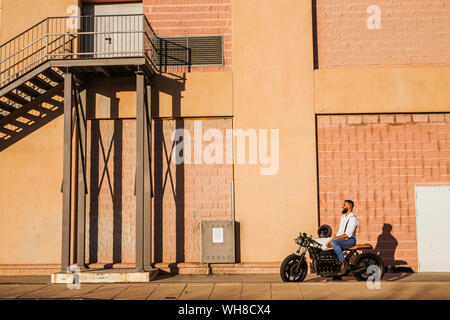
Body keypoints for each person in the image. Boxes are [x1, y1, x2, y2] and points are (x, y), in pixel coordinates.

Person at [329, 200, 359, 276]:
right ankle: (334, 272)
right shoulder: (343, 217)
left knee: (334, 242)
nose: (342, 206)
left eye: (344, 205)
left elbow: (348, 234)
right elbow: (341, 231)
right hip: (341, 239)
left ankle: (344, 263)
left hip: (350, 240)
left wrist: (336, 238)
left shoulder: (353, 219)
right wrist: (333, 237)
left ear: (349, 206)